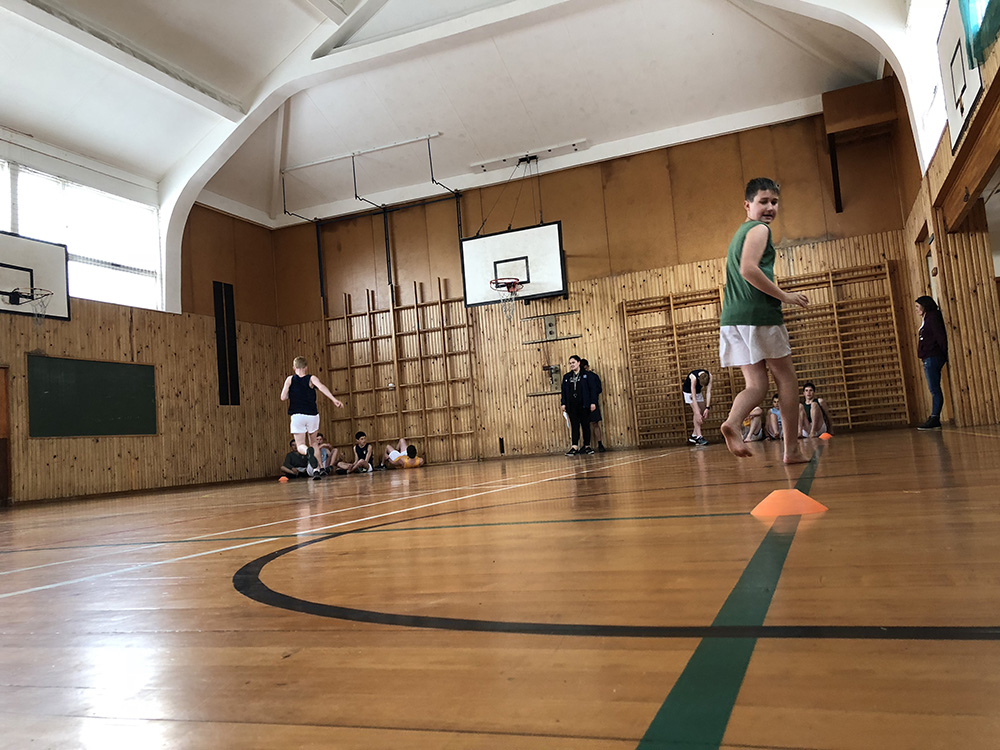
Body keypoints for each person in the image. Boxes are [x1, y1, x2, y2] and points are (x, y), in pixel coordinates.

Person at [718, 177, 810, 464]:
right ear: (748, 205)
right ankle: (791, 450)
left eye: (774, 202)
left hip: (733, 318)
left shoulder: (739, 234)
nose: (770, 207)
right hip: (759, 315)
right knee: (787, 378)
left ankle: (733, 422)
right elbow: (748, 269)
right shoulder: (759, 230)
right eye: (763, 202)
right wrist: (784, 295)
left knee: (757, 384)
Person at [280, 356, 344, 467]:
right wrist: (334, 399)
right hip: (312, 415)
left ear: (294, 368)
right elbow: (321, 387)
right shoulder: (311, 378)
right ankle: (319, 468)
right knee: (314, 443)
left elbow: (283, 397)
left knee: (300, 445)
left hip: (297, 415)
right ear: (306, 367)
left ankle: (307, 452)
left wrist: (293, 394)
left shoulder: (290, 379)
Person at [915, 295, 948, 430]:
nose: (916, 309)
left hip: (932, 357)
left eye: (918, 306)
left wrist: (943, 353)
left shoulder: (932, 317)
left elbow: (939, 335)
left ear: (925, 305)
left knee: (934, 389)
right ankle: (934, 416)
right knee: (933, 388)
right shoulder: (927, 318)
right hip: (929, 357)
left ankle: (935, 417)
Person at [560, 355, 598, 455]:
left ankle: (587, 446)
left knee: (585, 425)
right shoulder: (567, 377)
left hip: (584, 404)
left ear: (579, 363)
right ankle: (574, 446)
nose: (571, 365)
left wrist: (593, 402)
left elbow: (593, 390)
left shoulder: (587, 375)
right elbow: (564, 391)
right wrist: (563, 403)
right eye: (570, 363)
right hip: (572, 405)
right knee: (574, 426)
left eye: (573, 362)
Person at [581, 359, 607, 451]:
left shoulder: (593, 376)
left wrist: (591, 396)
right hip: (583, 403)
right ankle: (586, 445)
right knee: (585, 424)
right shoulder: (579, 377)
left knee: (595, 423)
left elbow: (599, 389)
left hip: (592, 402)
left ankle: (600, 443)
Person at [682, 369, 712, 446]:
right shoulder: (693, 378)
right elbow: (694, 397)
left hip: (698, 392)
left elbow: (708, 392)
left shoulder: (710, 376)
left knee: (702, 413)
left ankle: (693, 436)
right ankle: (699, 437)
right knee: (697, 411)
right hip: (689, 392)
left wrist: (707, 408)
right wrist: (697, 412)